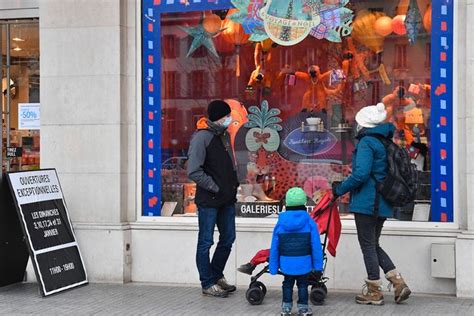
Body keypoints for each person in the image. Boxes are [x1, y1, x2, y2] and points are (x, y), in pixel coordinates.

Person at [332, 103, 411, 305]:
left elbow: (361, 174)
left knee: (367, 245)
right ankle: (398, 282)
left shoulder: (367, 142)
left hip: (368, 203)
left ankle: (374, 291)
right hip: (383, 202)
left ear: (363, 125)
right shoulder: (384, 142)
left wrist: (339, 189)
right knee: (373, 244)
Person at [187, 100, 239, 298]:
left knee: (228, 239)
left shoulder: (223, 135)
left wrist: (234, 183)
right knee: (206, 241)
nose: (230, 119)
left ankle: (216, 275)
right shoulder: (202, 137)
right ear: (219, 117)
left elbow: (227, 165)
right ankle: (207, 282)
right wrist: (215, 187)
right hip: (209, 200)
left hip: (226, 199)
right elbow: (193, 170)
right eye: (227, 115)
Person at [269, 187, 324, 316]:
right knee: (303, 285)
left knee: (287, 284)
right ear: (304, 203)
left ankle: (286, 308)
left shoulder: (280, 223)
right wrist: (318, 266)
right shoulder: (310, 222)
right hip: (304, 262)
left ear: (287, 203)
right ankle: (303, 308)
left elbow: (275, 246)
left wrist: (273, 266)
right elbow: (315, 246)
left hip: (286, 262)